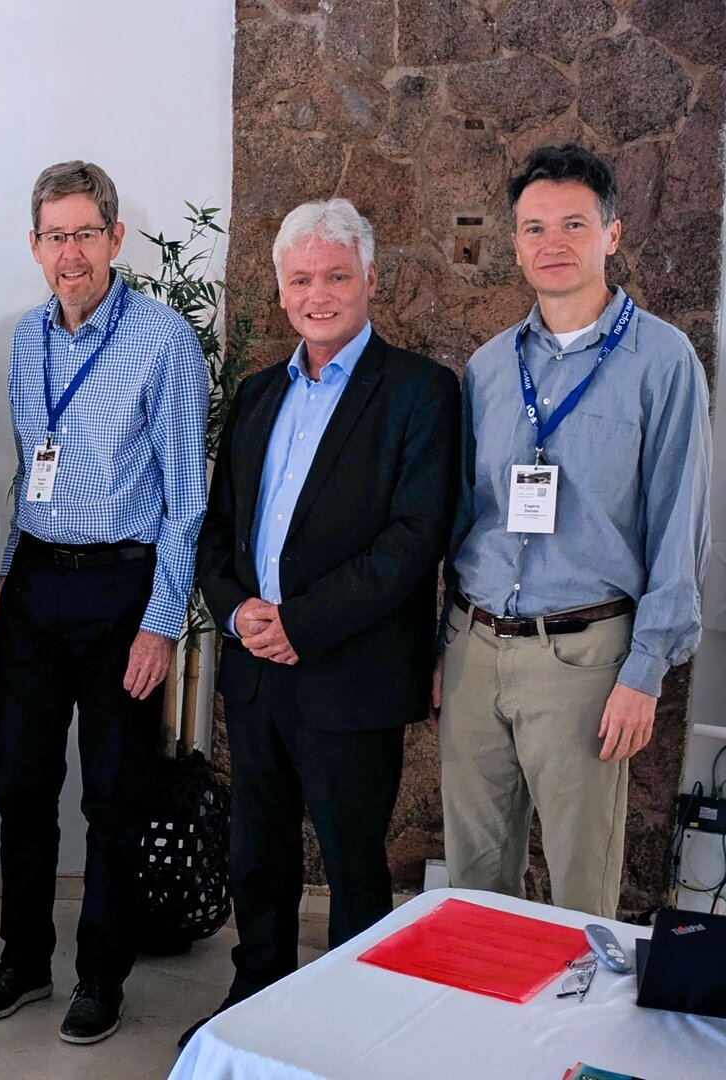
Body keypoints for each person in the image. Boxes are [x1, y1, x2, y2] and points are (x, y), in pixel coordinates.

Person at [185, 199, 459, 1046]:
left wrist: (301, 621)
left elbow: (415, 539)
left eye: (336, 276)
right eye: (301, 278)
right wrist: (237, 614)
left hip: (351, 671)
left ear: (370, 280)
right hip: (257, 667)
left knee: (352, 862)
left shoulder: (421, 392)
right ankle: (258, 996)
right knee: (256, 854)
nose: (318, 293)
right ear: (280, 288)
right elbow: (217, 531)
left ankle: (353, 1024)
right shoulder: (260, 394)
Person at [0, 160, 207, 1045]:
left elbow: (188, 496)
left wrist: (161, 621)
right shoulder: (28, 340)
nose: (71, 252)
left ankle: (100, 975)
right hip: (33, 589)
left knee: (114, 795)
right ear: (35, 246)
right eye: (55, 236)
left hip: (121, 590)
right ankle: (23, 959)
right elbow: (33, 465)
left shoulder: (165, 340)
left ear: (115, 239)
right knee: (20, 784)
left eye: (86, 233)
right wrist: (10, 563)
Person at [438, 144, 710, 917]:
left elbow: (680, 522)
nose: (550, 244)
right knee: (474, 885)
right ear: (515, 241)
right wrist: (442, 645)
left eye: (572, 225)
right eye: (532, 228)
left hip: (587, 660)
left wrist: (645, 670)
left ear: (612, 234)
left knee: (578, 893)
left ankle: (567, 1042)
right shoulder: (490, 368)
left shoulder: (663, 361)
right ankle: (483, 1035)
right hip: (476, 648)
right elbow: (466, 519)